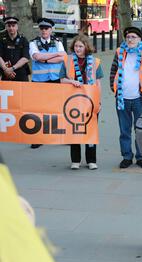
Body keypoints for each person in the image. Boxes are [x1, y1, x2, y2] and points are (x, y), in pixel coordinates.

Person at [109, 26, 142, 169]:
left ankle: (141, 157)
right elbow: (113, 71)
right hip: (122, 98)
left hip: (139, 99)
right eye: (128, 37)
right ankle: (126, 156)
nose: (130, 40)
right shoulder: (120, 52)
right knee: (124, 130)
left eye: (133, 37)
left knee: (141, 129)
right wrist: (115, 89)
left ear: (140, 39)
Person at [60, 34, 104, 170]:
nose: (77, 48)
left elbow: (98, 83)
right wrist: (72, 81)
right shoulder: (67, 61)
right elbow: (61, 80)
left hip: (90, 101)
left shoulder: (95, 62)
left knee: (91, 129)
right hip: (73, 101)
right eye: (76, 46)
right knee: (74, 130)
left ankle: (91, 160)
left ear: (86, 47)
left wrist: (99, 102)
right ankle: (75, 160)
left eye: (80, 46)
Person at [29, 17, 66, 149]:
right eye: (42, 28)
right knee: (39, 109)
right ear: (39, 29)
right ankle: (38, 138)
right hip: (39, 81)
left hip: (56, 79)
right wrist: (54, 56)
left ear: (51, 30)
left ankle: (58, 136)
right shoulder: (33, 43)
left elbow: (64, 57)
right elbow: (37, 57)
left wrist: (45, 60)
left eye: (46, 28)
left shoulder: (57, 42)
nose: (44, 30)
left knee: (57, 107)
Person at [0, 17, 30, 82]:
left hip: (21, 74)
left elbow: (25, 58)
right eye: (9, 26)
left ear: (17, 27)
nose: (11, 28)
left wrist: (12, 68)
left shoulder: (23, 40)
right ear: (6, 27)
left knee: (23, 92)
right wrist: (6, 69)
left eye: (13, 26)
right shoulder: (2, 40)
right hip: (6, 74)